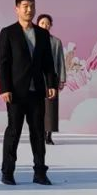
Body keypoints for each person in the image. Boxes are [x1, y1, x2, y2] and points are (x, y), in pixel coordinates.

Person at [0, 0, 57, 186]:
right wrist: (5, 88)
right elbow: (3, 63)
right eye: (25, 6)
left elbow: (48, 62)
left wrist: (51, 84)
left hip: (37, 91)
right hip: (15, 92)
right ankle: (8, 172)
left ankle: (40, 172)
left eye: (32, 6)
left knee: (38, 132)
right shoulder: (8, 32)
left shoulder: (42, 34)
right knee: (13, 131)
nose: (29, 10)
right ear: (17, 9)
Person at [36, 13, 66, 145]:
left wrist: (62, 79)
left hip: (52, 79)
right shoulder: (31, 40)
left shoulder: (56, 42)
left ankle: (48, 136)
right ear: (37, 24)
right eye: (42, 23)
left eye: (47, 24)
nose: (45, 25)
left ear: (51, 26)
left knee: (51, 108)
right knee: (37, 107)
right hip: (36, 78)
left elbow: (61, 61)